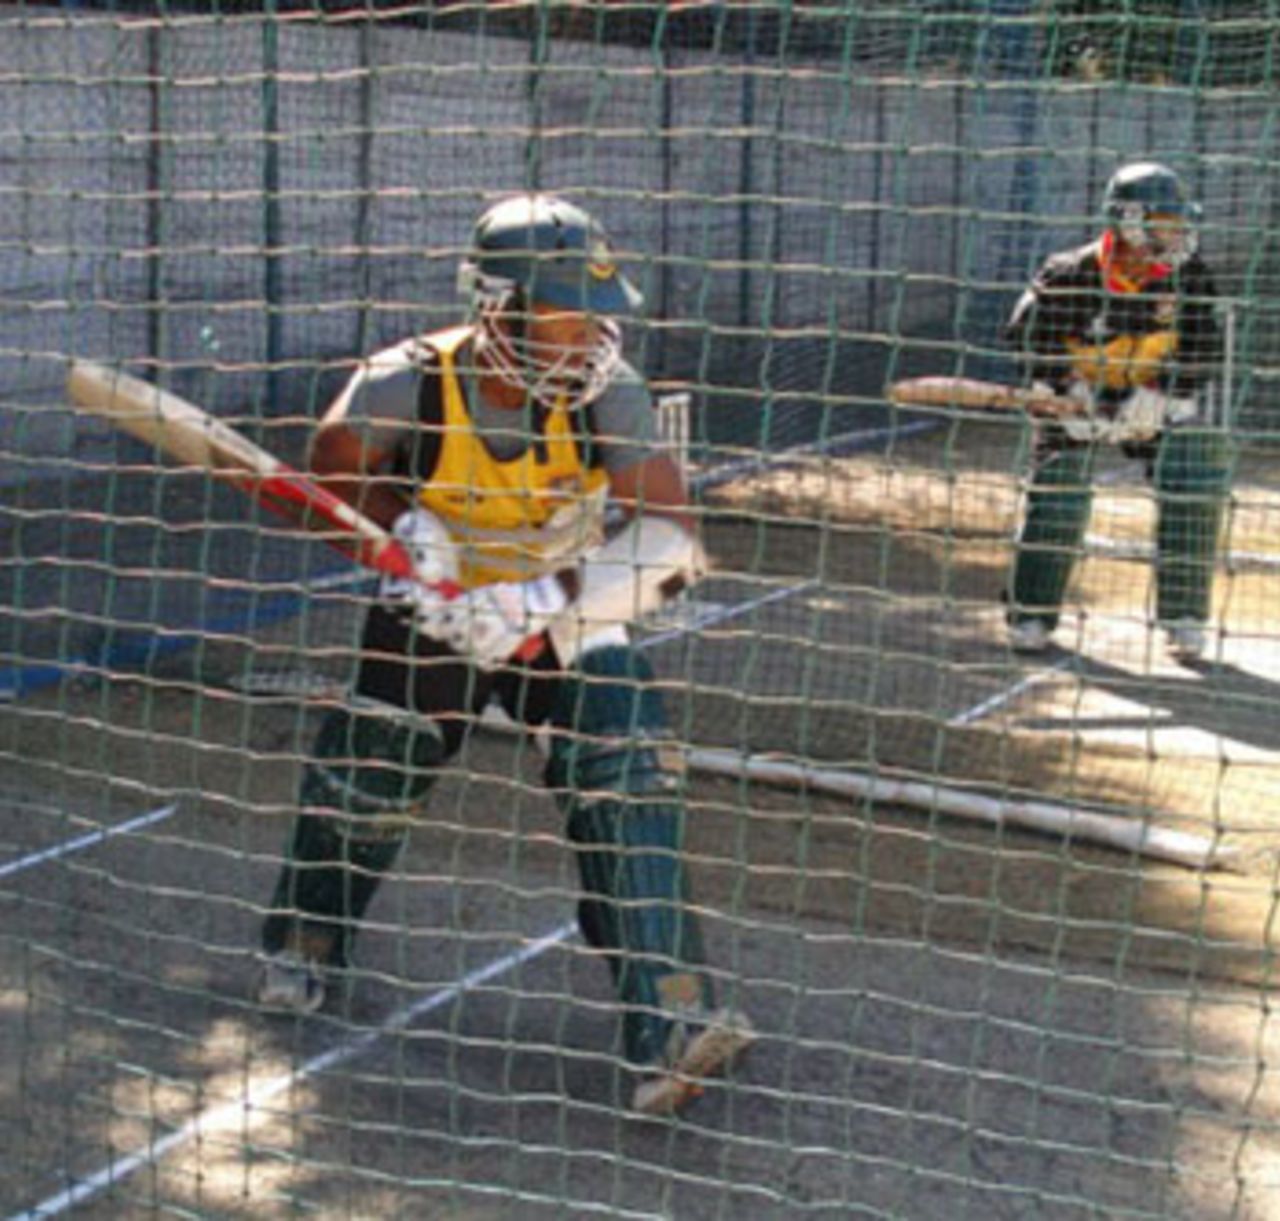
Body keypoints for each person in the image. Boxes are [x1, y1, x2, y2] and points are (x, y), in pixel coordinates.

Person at [253, 192, 754, 1115]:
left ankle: (673, 1017)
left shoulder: (610, 392)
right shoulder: (403, 381)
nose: (590, 335)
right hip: (433, 608)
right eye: (567, 312)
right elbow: (323, 485)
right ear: (499, 306)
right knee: (373, 766)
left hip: (564, 607)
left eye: (598, 312)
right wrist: (410, 543)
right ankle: (304, 944)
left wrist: (541, 603)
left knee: (629, 771)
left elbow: (673, 539)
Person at [1004, 160, 1230, 662]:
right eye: (1165, 223)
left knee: (1196, 468)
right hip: (1077, 406)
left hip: (1150, 406)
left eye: (1180, 223)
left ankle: (1185, 617)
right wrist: (1063, 389)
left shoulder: (1189, 276)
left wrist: (1166, 394)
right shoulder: (1069, 272)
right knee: (1059, 488)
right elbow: (1025, 338)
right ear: (1128, 221)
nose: (1177, 234)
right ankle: (1030, 615)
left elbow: (1205, 349)